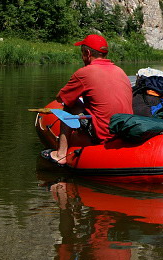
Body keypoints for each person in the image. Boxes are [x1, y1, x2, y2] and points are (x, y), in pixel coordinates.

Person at [42, 34, 132, 165]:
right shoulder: (120, 71)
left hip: (103, 134)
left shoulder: (84, 73)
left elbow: (61, 98)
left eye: (82, 52)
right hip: (123, 131)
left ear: (87, 53)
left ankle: (60, 154)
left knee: (70, 104)